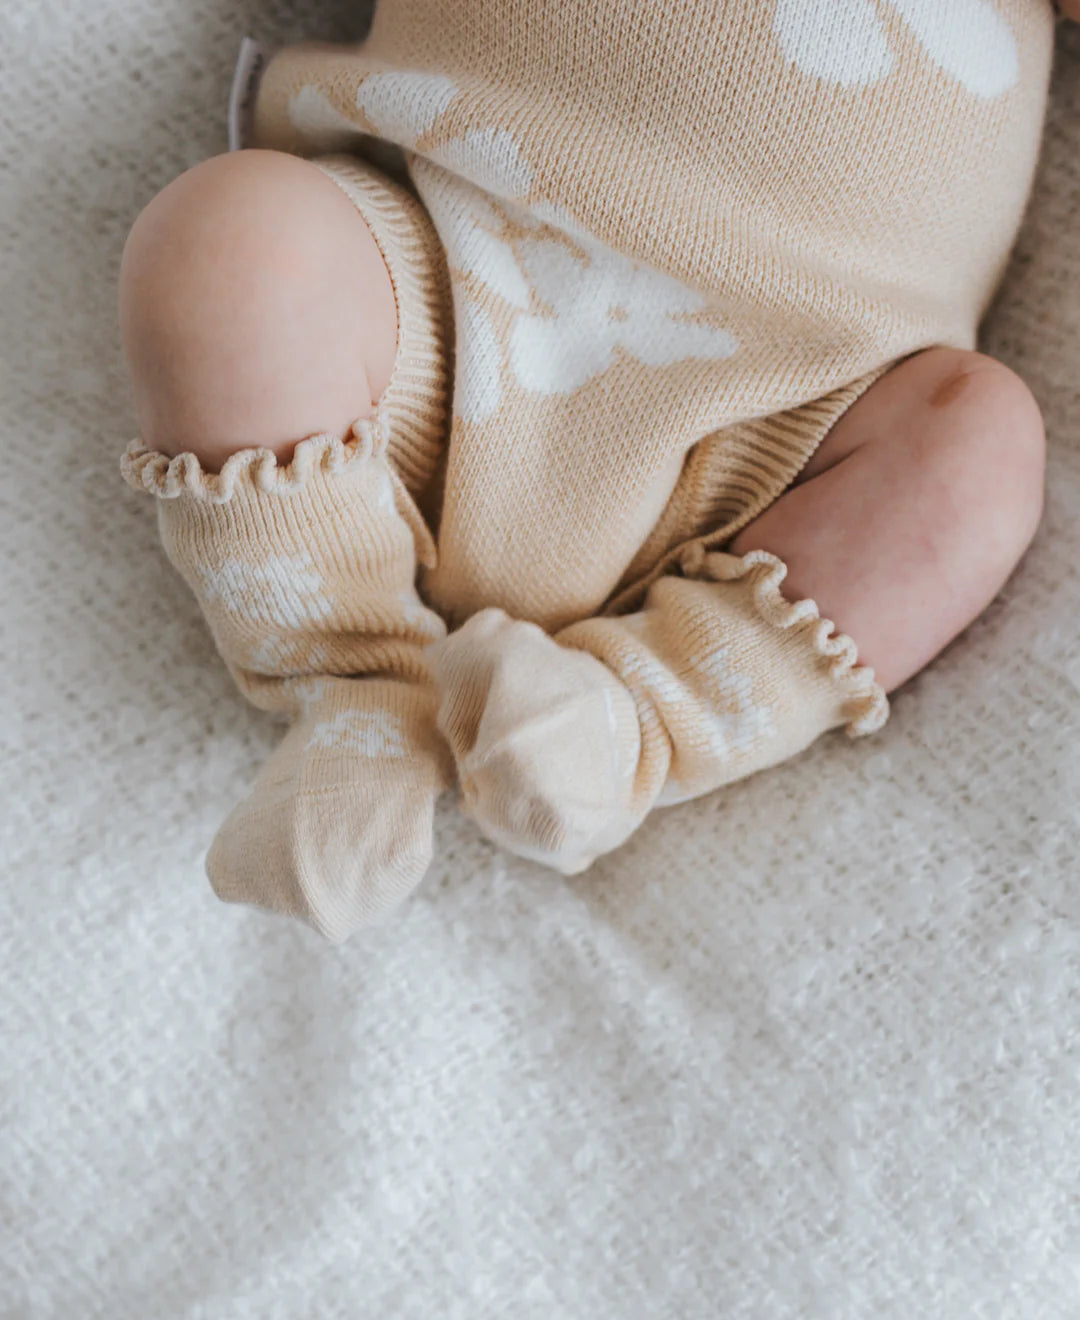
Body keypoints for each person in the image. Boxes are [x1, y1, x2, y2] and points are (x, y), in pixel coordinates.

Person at [119, 0, 1065, 941]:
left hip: (798, 410)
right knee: (231, 242)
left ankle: (628, 727)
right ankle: (353, 683)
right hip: (458, 274)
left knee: (980, 446)